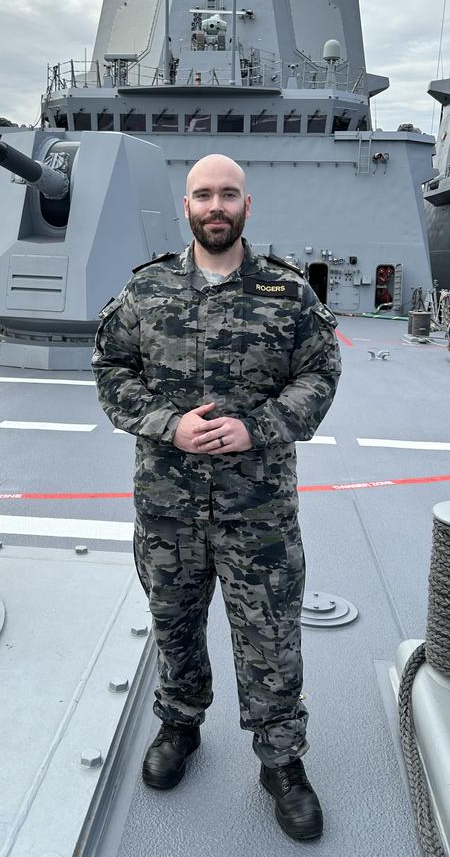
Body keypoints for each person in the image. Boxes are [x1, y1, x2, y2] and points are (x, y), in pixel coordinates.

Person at [91, 153, 341, 841]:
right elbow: (110, 368)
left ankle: (281, 760)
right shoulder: (145, 294)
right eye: (204, 194)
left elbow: (320, 373)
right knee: (173, 624)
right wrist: (167, 424)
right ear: (189, 207)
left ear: (246, 206)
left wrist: (255, 427)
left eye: (228, 194)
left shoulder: (290, 296)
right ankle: (179, 725)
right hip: (168, 509)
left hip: (258, 511)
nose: (216, 206)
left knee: (271, 636)